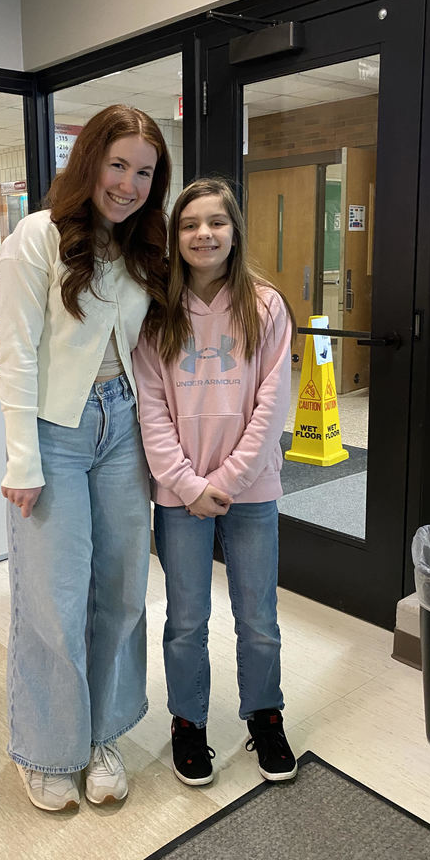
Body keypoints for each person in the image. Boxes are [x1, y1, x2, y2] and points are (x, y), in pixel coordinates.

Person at [0, 104, 170, 812]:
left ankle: (102, 736)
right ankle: (46, 749)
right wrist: (22, 459)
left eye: (145, 172)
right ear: (90, 160)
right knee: (52, 599)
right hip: (55, 432)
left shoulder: (140, 246)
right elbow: (15, 352)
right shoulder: (37, 237)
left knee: (124, 589)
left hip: (121, 425)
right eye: (117, 164)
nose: (128, 183)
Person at [132, 177, 297, 787]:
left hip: (251, 492)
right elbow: (151, 409)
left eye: (216, 222)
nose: (204, 234)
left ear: (235, 230)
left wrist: (224, 480)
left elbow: (271, 407)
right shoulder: (158, 313)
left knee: (258, 616)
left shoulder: (266, 306)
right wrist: (185, 484)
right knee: (186, 618)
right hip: (179, 498)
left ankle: (265, 714)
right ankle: (188, 723)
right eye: (190, 224)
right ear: (175, 237)